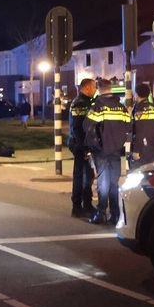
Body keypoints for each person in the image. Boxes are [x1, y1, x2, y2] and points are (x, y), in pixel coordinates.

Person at [84, 78, 131, 225]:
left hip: (101, 149)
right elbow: (128, 127)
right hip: (116, 150)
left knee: (102, 182)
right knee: (114, 182)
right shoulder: (121, 107)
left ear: (99, 89)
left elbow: (87, 125)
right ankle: (115, 214)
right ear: (111, 89)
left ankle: (101, 212)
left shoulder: (97, 105)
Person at [67, 78, 97, 218]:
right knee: (80, 176)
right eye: (93, 87)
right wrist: (83, 147)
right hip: (81, 146)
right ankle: (77, 206)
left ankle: (87, 204)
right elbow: (77, 128)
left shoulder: (88, 102)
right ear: (86, 88)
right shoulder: (79, 104)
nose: (95, 89)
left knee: (89, 176)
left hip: (86, 145)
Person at [129, 83, 154, 169]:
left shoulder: (139, 109)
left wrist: (136, 150)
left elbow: (140, 130)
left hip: (142, 148)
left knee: (139, 173)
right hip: (153, 145)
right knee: (152, 172)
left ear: (137, 94)